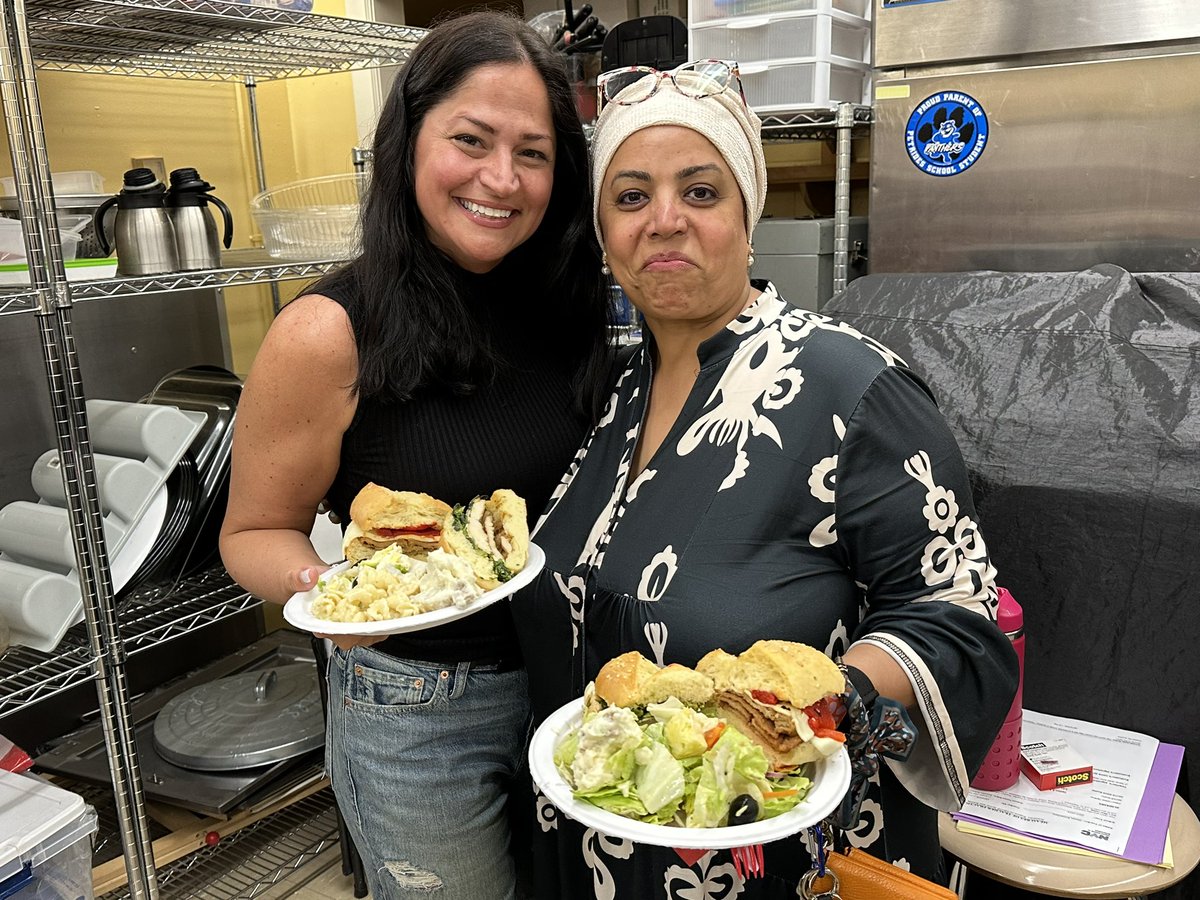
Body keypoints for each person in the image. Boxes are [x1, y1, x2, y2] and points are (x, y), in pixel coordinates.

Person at [510, 63, 1019, 898]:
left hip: (778, 862)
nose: (665, 221)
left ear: (750, 214)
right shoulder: (613, 397)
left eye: (701, 192)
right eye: (631, 197)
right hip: (595, 849)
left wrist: (833, 695)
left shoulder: (850, 389)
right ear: (603, 231)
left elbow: (960, 618)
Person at [219, 11, 613, 900]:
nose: (501, 180)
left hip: (573, 683)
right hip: (418, 711)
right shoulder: (327, 334)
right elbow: (252, 531)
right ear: (408, 143)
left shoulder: (570, 308)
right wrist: (334, 596)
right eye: (470, 140)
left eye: (535, 154)